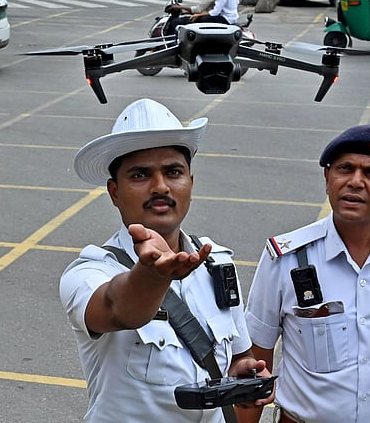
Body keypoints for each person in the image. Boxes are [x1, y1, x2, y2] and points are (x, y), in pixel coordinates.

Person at [59, 98, 274, 422]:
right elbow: (118, 309)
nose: (160, 186)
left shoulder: (217, 262)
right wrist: (153, 276)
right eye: (140, 175)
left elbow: (237, 356)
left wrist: (242, 376)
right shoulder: (91, 271)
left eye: (173, 172)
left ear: (190, 183)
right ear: (114, 192)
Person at [238, 125, 370, 423]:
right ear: (327, 179)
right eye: (345, 169)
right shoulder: (284, 259)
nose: (355, 182)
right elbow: (255, 360)